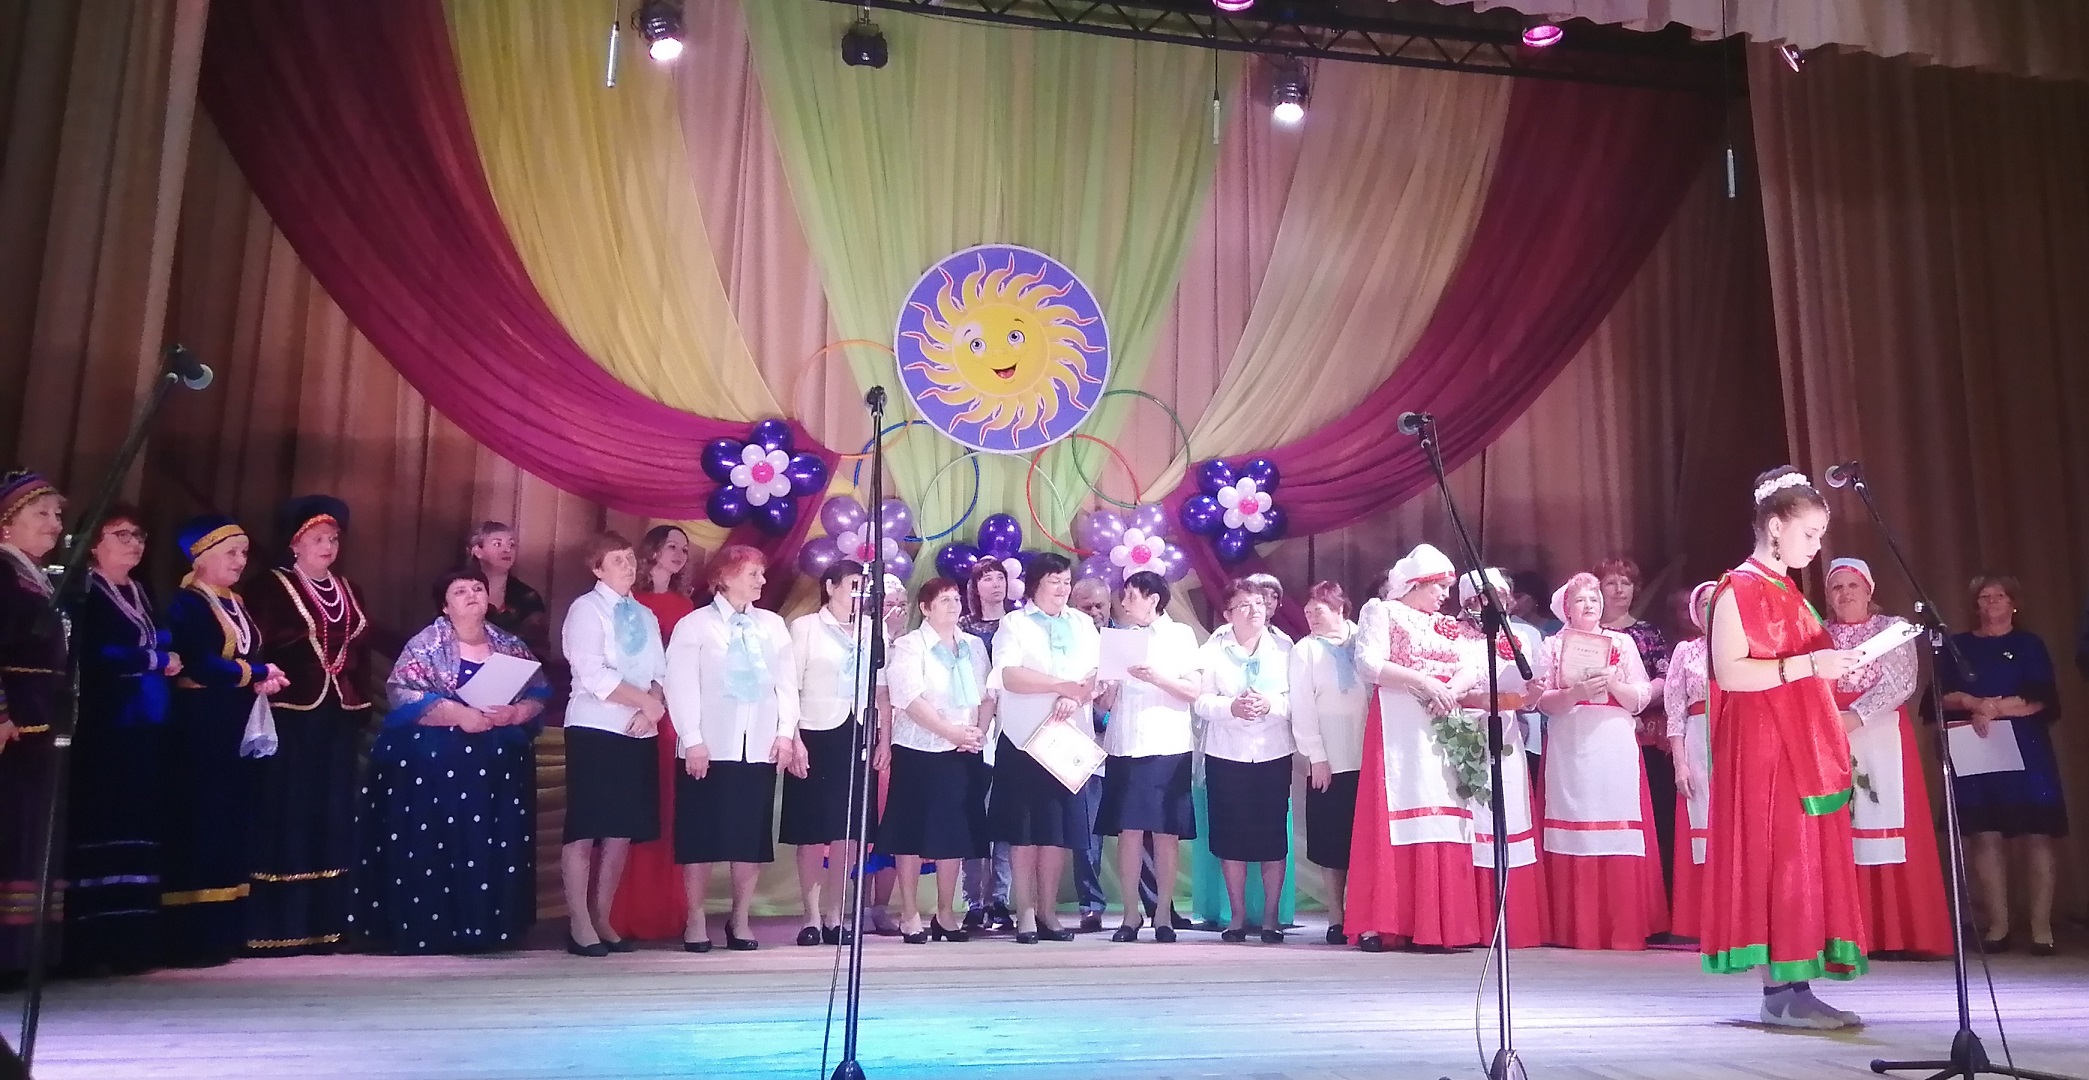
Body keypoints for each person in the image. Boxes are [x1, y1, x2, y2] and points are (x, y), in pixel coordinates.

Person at [1702, 465, 1868, 1029]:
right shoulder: (1738, 588)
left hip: (1797, 739)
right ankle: (1780, 993)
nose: (1816, 546)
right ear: (1775, 526)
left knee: (1801, 858)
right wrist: (1810, 665)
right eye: (1810, 533)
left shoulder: (1788, 591)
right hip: (1763, 743)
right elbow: (1731, 671)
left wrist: (1830, 665)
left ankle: (1796, 985)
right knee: (1779, 856)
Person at [356, 568, 549, 953]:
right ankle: (433, 928)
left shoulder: (509, 644)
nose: (472, 594)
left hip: (495, 768)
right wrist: (459, 715)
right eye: (460, 591)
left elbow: (539, 692)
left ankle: (490, 927)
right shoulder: (425, 644)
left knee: (490, 842)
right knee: (438, 840)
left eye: (477, 588)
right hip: (436, 766)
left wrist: (515, 713)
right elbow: (402, 693)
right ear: (444, 606)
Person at [244, 495, 371, 956]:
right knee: (290, 809)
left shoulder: (350, 588)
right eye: (317, 538)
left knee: (331, 809)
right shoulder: (271, 587)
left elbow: (358, 650)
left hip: (337, 712)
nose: (328, 546)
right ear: (295, 544)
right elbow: (257, 642)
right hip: (291, 711)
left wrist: (357, 697)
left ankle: (327, 925)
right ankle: (279, 926)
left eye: (333, 539)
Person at [160, 515, 288, 966]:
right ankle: (192, 934)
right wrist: (257, 672)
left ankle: (225, 928)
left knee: (232, 816)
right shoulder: (187, 603)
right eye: (231, 553)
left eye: (244, 553)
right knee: (202, 816)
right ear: (202, 558)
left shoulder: (236, 601)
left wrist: (262, 678)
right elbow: (198, 661)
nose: (240, 561)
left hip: (235, 718)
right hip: (200, 721)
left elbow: (248, 658)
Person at [1347, 545, 1483, 952]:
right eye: (1439, 587)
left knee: (1442, 811)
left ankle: (1437, 924)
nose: (1445, 595)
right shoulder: (1382, 611)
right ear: (1417, 584)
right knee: (1395, 809)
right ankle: (1384, 922)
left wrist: (1449, 691)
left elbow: (1472, 667)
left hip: (1443, 724)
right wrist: (1423, 683)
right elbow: (1369, 664)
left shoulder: (1446, 624)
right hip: (1399, 723)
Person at [665, 545, 801, 952]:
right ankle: (695, 918)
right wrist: (692, 738)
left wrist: (785, 732)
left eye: (761, 573)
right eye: (752, 574)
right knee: (700, 836)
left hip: (757, 746)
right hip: (709, 746)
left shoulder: (772, 625)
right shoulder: (695, 625)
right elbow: (681, 685)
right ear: (724, 577)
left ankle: (740, 919)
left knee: (749, 838)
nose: (761, 580)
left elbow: (786, 684)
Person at [65, 505, 180, 974]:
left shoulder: (138, 588)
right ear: (94, 544)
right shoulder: (85, 590)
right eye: (123, 535)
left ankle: (132, 939)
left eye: (140, 536)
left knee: (137, 818)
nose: (135, 544)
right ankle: (96, 942)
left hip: (144, 722)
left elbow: (157, 635)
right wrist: (154, 659)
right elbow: (91, 652)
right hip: (105, 722)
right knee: (105, 818)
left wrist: (162, 652)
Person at [1822, 558, 1951, 959]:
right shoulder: (1818, 634)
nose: (1845, 594)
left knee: (1886, 820)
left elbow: (1901, 682)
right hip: (1829, 736)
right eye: (1837, 587)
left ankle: (1898, 933)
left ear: (1869, 590)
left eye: (1852, 586)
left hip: (1880, 732)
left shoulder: (1893, 629)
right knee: (1840, 829)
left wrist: (1855, 716)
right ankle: (1849, 933)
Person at [1533, 572, 1667, 950]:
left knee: (1617, 820)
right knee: (1574, 820)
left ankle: (1621, 925)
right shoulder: (1552, 646)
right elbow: (1541, 700)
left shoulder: (1622, 642)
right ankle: (1574, 926)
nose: (1590, 604)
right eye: (1581, 599)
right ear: (1566, 608)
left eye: (1594, 598)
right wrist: (1574, 692)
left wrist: (1613, 684)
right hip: (1571, 740)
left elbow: (1640, 696)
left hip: (1614, 740)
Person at [1939, 574, 2068, 956]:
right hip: (1977, 746)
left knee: (2037, 836)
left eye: (1999, 596)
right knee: (1985, 835)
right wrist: (1972, 703)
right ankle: (1998, 926)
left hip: (2027, 748)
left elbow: (2041, 697)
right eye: (1984, 596)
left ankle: (2041, 927)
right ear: (1975, 604)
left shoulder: (2030, 644)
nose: (1992, 602)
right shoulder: (1958, 645)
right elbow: (1939, 695)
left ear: (2014, 604)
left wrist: (1994, 708)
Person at [558, 532, 666, 956]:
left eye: (630, 558)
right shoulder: (586, 609)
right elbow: (591, 672)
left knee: (622, 828)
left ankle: (602, 915)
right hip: (595, 727)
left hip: (638, 729)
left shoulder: (645, 614)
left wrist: (652, 706)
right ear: (597, 569)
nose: (628, 565)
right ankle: (579, 922)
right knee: (587, 826)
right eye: (617, 560)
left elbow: (659, 670)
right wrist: (644, 702)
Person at [987, 552, 1100, 944]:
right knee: (1024, 832)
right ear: (1036, 584)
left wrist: (1075, 695)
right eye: (1055, 582)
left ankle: (1049, 911)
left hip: (1067, 739)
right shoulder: (1015, 623)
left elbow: (1096, 672)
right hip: (1023, 740)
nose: (1062, 589)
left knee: (1056, 831)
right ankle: (1025, 912)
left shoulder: (1082, 624)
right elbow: (1009, 675)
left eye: (1067, 582)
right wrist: (1058, 685)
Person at [882, 577, 993, 943]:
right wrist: (950, 732)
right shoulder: (910, 645)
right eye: (944, 600)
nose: (953, 606)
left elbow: (987, 695)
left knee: (954, 834)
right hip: (920, 750)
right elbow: (909, 698)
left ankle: (946, 914)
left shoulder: (973, 645)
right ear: (925, 608)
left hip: (964, 750)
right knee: (911, 832)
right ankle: (909, 913)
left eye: (956, 599)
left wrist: (977, 732)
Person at [1094, 571, 1199, 943]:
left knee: (1166, 831)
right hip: (1125, 744)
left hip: (1167, 744)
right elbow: (1105, 704)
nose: (1124, 603)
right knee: (1129, 831)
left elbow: (1193, 690)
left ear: (1153, 599)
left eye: (1132, 596)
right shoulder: (1121, 639)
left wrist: (1156, 677)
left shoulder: (1180, 635)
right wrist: (1108, 685)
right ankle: (1129, 914)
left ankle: (1164, 913)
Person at [609, 525, 698, 943]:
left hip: (672, 714)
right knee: (634, 809)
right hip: (632, 710)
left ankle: (666, 911)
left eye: (684, 548)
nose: (679, 553)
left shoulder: (686, 604)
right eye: (671, 546)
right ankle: (623, 914)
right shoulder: (631, 602)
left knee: (669, 810)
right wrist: (646, 703)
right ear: (652, 552)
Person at [1195, 578, 1296, 944]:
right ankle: (1236, 916)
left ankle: (1271, 917)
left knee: (1272, 837)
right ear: (1228, 613)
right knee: (1230, 836)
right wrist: (1230, 708)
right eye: (1244, 605)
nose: (1254, 611)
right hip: (1227, 753)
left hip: (1272, 751)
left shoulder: (1284, 647)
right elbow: (1200, 700)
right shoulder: (1213, 649)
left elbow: (1298, 698)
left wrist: (1271, 704)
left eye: (1259, 604)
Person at [1455, 568, 1550, 948]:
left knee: (1509, 816)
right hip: (1463, 736)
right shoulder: (1451, 635)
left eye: (1497, 597)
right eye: (1481, 598)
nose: (1489, 604)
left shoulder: (1520, 636)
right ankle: (1473, 921)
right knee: (1474, 817)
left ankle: (1514, 922)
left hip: (1507, 734)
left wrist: (1532, 693)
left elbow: (1530, 699)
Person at [785, 560, 873, 946]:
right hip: (814, 733)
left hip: (857, 732)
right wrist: (793, 738)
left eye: (862, 586)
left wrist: (879, 736)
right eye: (852, 585)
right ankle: (811, 916)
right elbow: (788, 686)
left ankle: (836, 914)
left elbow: (879, 688)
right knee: (811, 830)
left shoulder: (871, 630)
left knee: (846, 832)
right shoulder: (805, 628)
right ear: (831, 587)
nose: (858, 593)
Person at [0, 471, 66, 976]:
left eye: (57, 514)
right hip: (14, 720)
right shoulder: (4, 573)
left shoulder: (37, 576)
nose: (54, 523)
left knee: (28, 832)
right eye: (40, 514)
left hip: (39, 719)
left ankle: (23, 955)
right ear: (7, 523)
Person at [1288, 581, 1366, 945]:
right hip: (1331, 760)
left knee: (1365, 839)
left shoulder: (1364, 641)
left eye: (1318, 611)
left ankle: (1365, 914)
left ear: (1340, 608)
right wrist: (1316, 757)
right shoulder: (1305, 650)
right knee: (1332, 840)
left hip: (1369, 755)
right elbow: (1302, 708)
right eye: (1307, 612)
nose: (1311, 617)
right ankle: (1336, 915)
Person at [1597, 557, 1676, 896]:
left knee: (1654, 815)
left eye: (1626, 583)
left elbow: (1665, 677)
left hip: (1646, 736)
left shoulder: (1646, 632)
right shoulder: (1587, 635)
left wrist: (1638, 702)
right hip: (1600, 734)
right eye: (1611, 582)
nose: (1619, 590)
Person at [960, 559, 1015, 933]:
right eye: (987, 578)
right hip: (973, 725)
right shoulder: (963, 628)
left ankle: (1001, 899)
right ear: (974, 586)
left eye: (1000, 578)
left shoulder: (1018, 624)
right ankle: (973, 900)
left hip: (1011, 725)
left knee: (1006, 820)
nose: (995, 584)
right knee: (973, 817)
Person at [1663, 582, 1717, 942]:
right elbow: (1675, 712)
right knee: (1703, 824)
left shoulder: (1748, 649)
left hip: (1739, 739)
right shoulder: (1686, 651)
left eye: (1717, 602)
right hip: (1698, 743)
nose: (1710, 609)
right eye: (1703, 604)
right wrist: (1680, 763)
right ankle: (1703, 922)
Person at [1066, 576, 1115, 932]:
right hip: (1084, 748)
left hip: (1130, 748)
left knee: (1142, 833)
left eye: (1100, 605)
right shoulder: (1069, 641)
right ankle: (1091, 905)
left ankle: (1158, 906)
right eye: (1087, 607)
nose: (1095, 613)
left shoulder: (1127, 641)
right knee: (1088, 835)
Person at [465, 521, 549, 658]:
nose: (507, 550)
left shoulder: (527, 596)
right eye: (497, 544)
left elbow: (539, 649)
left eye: (511, 545)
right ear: (478, 551)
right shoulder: (461, 592)